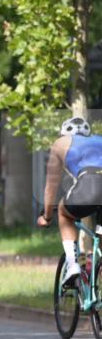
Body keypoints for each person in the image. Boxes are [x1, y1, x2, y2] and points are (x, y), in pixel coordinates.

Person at [37, 116, 102, 286]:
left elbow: (51, 187)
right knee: (100, 233)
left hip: (90, 184)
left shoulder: (60, 143)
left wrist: (47, 216)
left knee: (63, 212)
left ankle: (72, 265)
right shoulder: (99, 139)